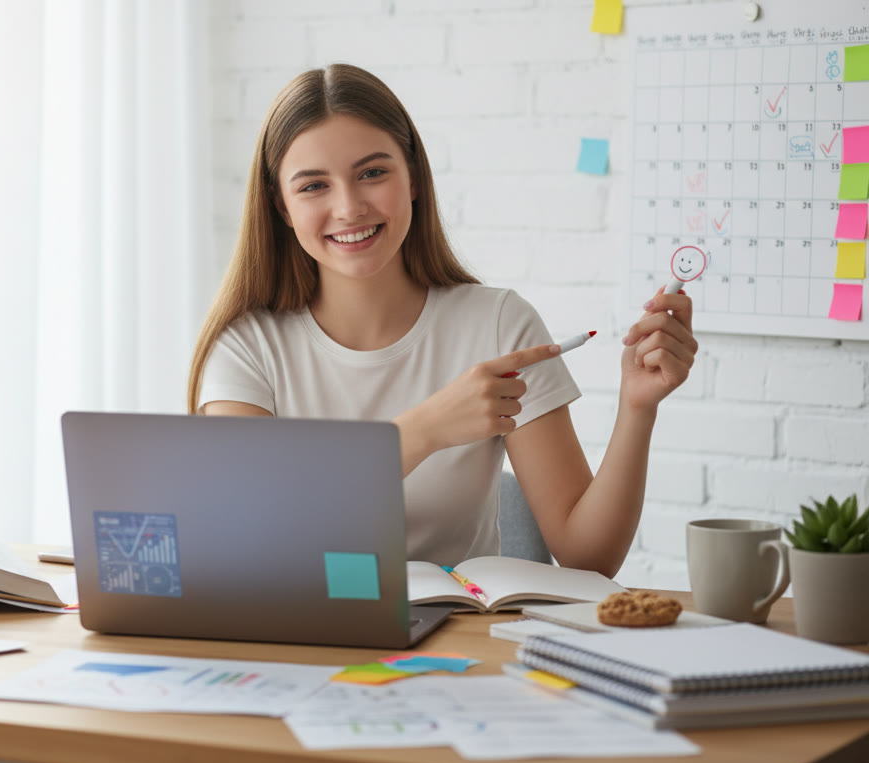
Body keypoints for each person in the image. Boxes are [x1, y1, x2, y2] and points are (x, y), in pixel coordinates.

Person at [186, 64, 696, 577]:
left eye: (372, 173)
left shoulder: (499, 324)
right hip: (302, 641)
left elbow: (590, 558)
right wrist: (425, 429)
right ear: (281, 206)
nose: (348, 207)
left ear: (412, 177)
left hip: (461, 643)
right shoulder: (246, 349)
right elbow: (249, 542)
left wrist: (637, 407)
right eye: (314, 186)